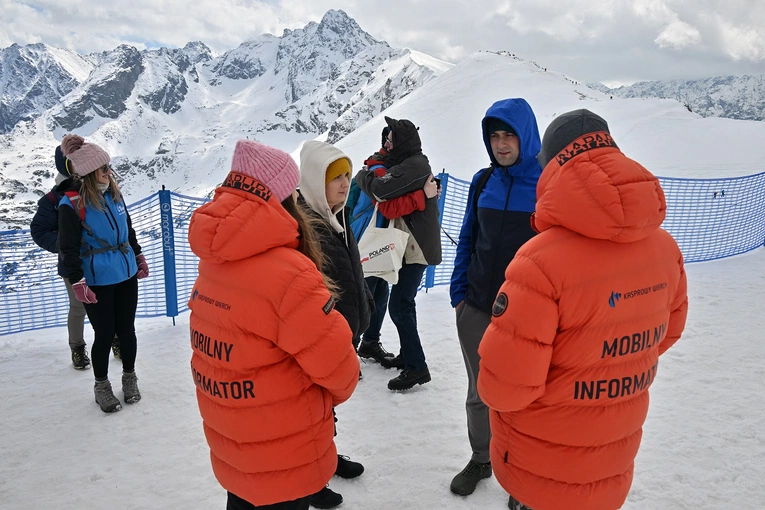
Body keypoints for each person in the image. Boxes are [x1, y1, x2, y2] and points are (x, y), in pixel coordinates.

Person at [477, 109, 688, 510]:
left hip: (541, 463)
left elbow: (503, 388)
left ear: (554, 164)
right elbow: (669, 333)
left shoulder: (539, 262)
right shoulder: (665, 249)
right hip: (613, 456)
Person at [188, 140, 360, 510]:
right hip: (285, 451)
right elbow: (341, 373)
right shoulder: (289, 273)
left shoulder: (214, 263)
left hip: (233, 440)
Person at [448, 98, 542, 496]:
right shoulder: (483, 181)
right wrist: (459, 294)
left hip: (527, 315)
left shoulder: (547, 183)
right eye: (495, 136)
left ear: (526, 137)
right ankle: (481, 457)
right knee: (479, 390)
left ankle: (522, 477)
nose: (501, 144)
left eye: (509, 135)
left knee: (525, 396)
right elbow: (468, 236)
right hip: (477, 306)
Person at [298, 140, 369, 508]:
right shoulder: (306, 228)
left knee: (328, 409)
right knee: (314, 410)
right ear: (313, 180)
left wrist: (364, 309)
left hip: (344, 332)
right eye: (334, 178)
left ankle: (326, 457)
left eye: (346, 175)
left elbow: (351, 272)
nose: (345, 184)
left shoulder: (336, 216)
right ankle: (311, 479)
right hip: (321, 337)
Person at [57, 134, 148, 413]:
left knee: (127, 330)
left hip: (125, 273)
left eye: (109, 166)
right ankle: (101, 386)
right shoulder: (71, 205)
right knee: (105, 334)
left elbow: (127, 229)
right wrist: (77, 281)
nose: (110, 172)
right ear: (87, 173)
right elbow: (68, 249)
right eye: (104, 168)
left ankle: (129, 378)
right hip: (97, 279)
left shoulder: (114, 192)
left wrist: (138, 254)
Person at [355, 116, 442, 391]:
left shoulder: (415, 165)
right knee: (401, 302)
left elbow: (381, 192)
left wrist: (361, 176)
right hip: (408, 246)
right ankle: (407, 355)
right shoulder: (405, 163)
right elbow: (379, 175)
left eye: (392, 138)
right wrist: (368, 170)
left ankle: (417, 367)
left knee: (399, 304)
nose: (387, 142)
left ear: (403, 141)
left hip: (417, 249)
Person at [30, 145, 89, 369]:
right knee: (78, 307)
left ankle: (113, 340)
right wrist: (64, 245)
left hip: (103, 260)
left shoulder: (95, 187)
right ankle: (77, 348)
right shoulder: (54, 199)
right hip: (72, 263)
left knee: (107, 303)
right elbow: (39, 231)